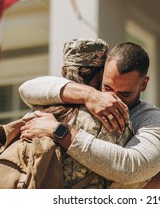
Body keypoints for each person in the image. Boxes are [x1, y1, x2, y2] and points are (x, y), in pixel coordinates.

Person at [20, 41, 160, 188]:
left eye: (124, 94)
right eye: (107, 87)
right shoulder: (86, 100)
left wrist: (60, 132)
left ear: (144, 84)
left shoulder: (156, 120)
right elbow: (27, 89)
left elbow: (132, 167)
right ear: (102, 75)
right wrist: (89, 95)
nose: (112, 99)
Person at [23, 38, 135, 188]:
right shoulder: (112, 117)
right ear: (103, 73)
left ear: (63, 71)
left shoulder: (37, 113)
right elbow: (128, 175)